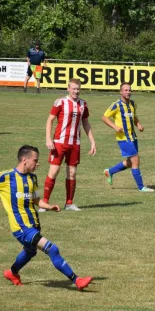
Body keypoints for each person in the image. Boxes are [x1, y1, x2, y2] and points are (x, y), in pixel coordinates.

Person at [0, 145, 93, 290]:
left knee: (30, 252)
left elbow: (36, 200)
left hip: (33, 225)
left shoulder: (32, 178)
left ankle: (12, 272)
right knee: (52, 249)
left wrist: (49, 206)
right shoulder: (6, 177)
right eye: (35, 160)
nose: (38, 164)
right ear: (24, 160)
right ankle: (77, 280)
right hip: (21, 228)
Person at [41, 78, 96, 212]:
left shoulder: (83, 104)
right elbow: (50, 120)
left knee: (72, 173)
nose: (76, 91)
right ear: (68, 89)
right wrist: (48, 139)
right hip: (59, 143)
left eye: (78, 89)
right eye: (73, 89)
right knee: (54, 171)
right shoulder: (60, 102)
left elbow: (86, 123)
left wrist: (92, 141)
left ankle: (69, 203)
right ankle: (44, 203)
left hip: (75, 143)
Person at [102, 82, 154, 192]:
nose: (128, 92)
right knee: (135, 160)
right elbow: (104, 117)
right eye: (125, 90)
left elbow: (134, 117)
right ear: (121, 92)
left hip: (133, 137)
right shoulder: (116, 105)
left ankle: (110, 171)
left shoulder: (133, 104)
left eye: (129, 90)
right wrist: (114, 126)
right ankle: (141, 187)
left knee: (130, 162)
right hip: (123, 138)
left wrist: (138, 124)